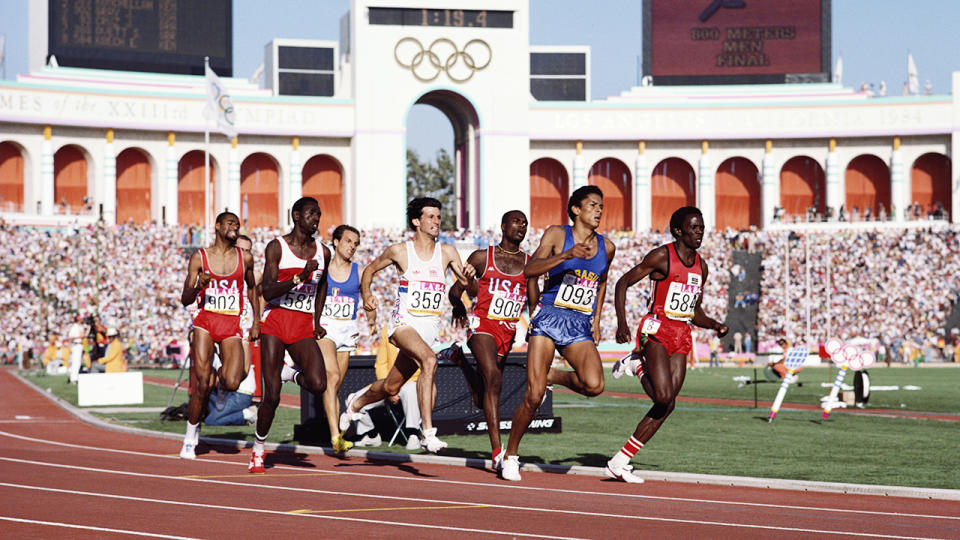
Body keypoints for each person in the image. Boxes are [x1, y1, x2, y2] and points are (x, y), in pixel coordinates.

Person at [339, 197, 474, 454]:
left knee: (391, 386)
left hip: (428, 330)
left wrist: (467, 281)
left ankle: (355, 405)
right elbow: (369, 270)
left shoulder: (447, 252)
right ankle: (428, 433)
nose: (436, 221)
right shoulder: (401, 251)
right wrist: (367, 295)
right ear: (416, 221)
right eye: (430, 217)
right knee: (429, 361)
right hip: (403, 325)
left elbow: (467, 286)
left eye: (438, 217)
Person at [500, 186, 616, 481]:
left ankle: (553, 376)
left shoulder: (608, 247)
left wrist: (597, 320)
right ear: (575, 209)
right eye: (593, 205)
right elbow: (530, 271)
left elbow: (601, 283)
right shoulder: (556, 234)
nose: (599, 210)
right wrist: (566, 255)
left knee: (594, 385)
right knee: (534, 396)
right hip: (549, 317)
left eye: (601, 206)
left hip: (579, 323)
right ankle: (510, 455)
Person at [609, 206, 728, 483]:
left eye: (702, 227)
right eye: (694, 227)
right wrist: (622, 323)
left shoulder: (702, 266)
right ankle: (637, 365)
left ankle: (620, 461)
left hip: (682, 333)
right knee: (662, 396)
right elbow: (623, 282)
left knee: (668, 404)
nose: (700, 232)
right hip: (657, 329)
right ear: (678, 230)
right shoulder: (662, 256)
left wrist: (714, 325)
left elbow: (695, 311)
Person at [445, 210, 536, 468]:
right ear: (504, 226)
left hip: (507, 331)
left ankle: (459, 359)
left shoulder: (530, 263)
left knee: (484, 394)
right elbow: (456, 291)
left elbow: (533, 302)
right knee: (494, 379)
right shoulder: (482, 257)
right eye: (516, 221)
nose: (522, 226)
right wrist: (459, 306)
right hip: (482, 325)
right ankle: (497, 453)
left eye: (525, 223)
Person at [250, 197, 331, 473]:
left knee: (319, 383)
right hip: (275, 319)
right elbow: (268, 291)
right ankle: (259, 449)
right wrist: (298, 276)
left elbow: (322, 286)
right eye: (311, 214)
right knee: (271, 396)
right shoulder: (277, 247)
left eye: (319, 214)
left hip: (301, 323)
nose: (316, 219)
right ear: (296, 216)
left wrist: (317, 320)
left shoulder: (323, 252)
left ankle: (291, 374)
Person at [178, 211, 261, 460]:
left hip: (230, 323)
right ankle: (191, 437)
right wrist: (197, 285)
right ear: (217, 227)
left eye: (237, 223)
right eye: (230, 223)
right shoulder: (199, 257)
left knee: (234, 381)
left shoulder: (244, 258)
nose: (235, 226)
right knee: (202, 385)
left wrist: (256, 320)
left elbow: (252, 289)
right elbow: (185, 299)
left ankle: (217, 365)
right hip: (205, 320)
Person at [317, 224, 362, 453]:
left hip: (348, 331)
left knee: (333, 387)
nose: (352, 247)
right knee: (331, 375)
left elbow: (369, 297)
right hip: (325, 328)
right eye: (348, 241)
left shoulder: (359, 271)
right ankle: (335, 436)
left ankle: (336, 435)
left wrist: (372, 314)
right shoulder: (322, 269)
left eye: (355, 244)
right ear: (335, 241)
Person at [353, 326, 427, 450]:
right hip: (388, 383)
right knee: (353, 399)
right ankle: (372, 435)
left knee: (410, 390)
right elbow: (381, 363)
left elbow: (421, 367)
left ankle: (413, 434)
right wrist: (389, 388)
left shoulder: (420, 330)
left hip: (410, 382)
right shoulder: (387, 330)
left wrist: (396, 388)